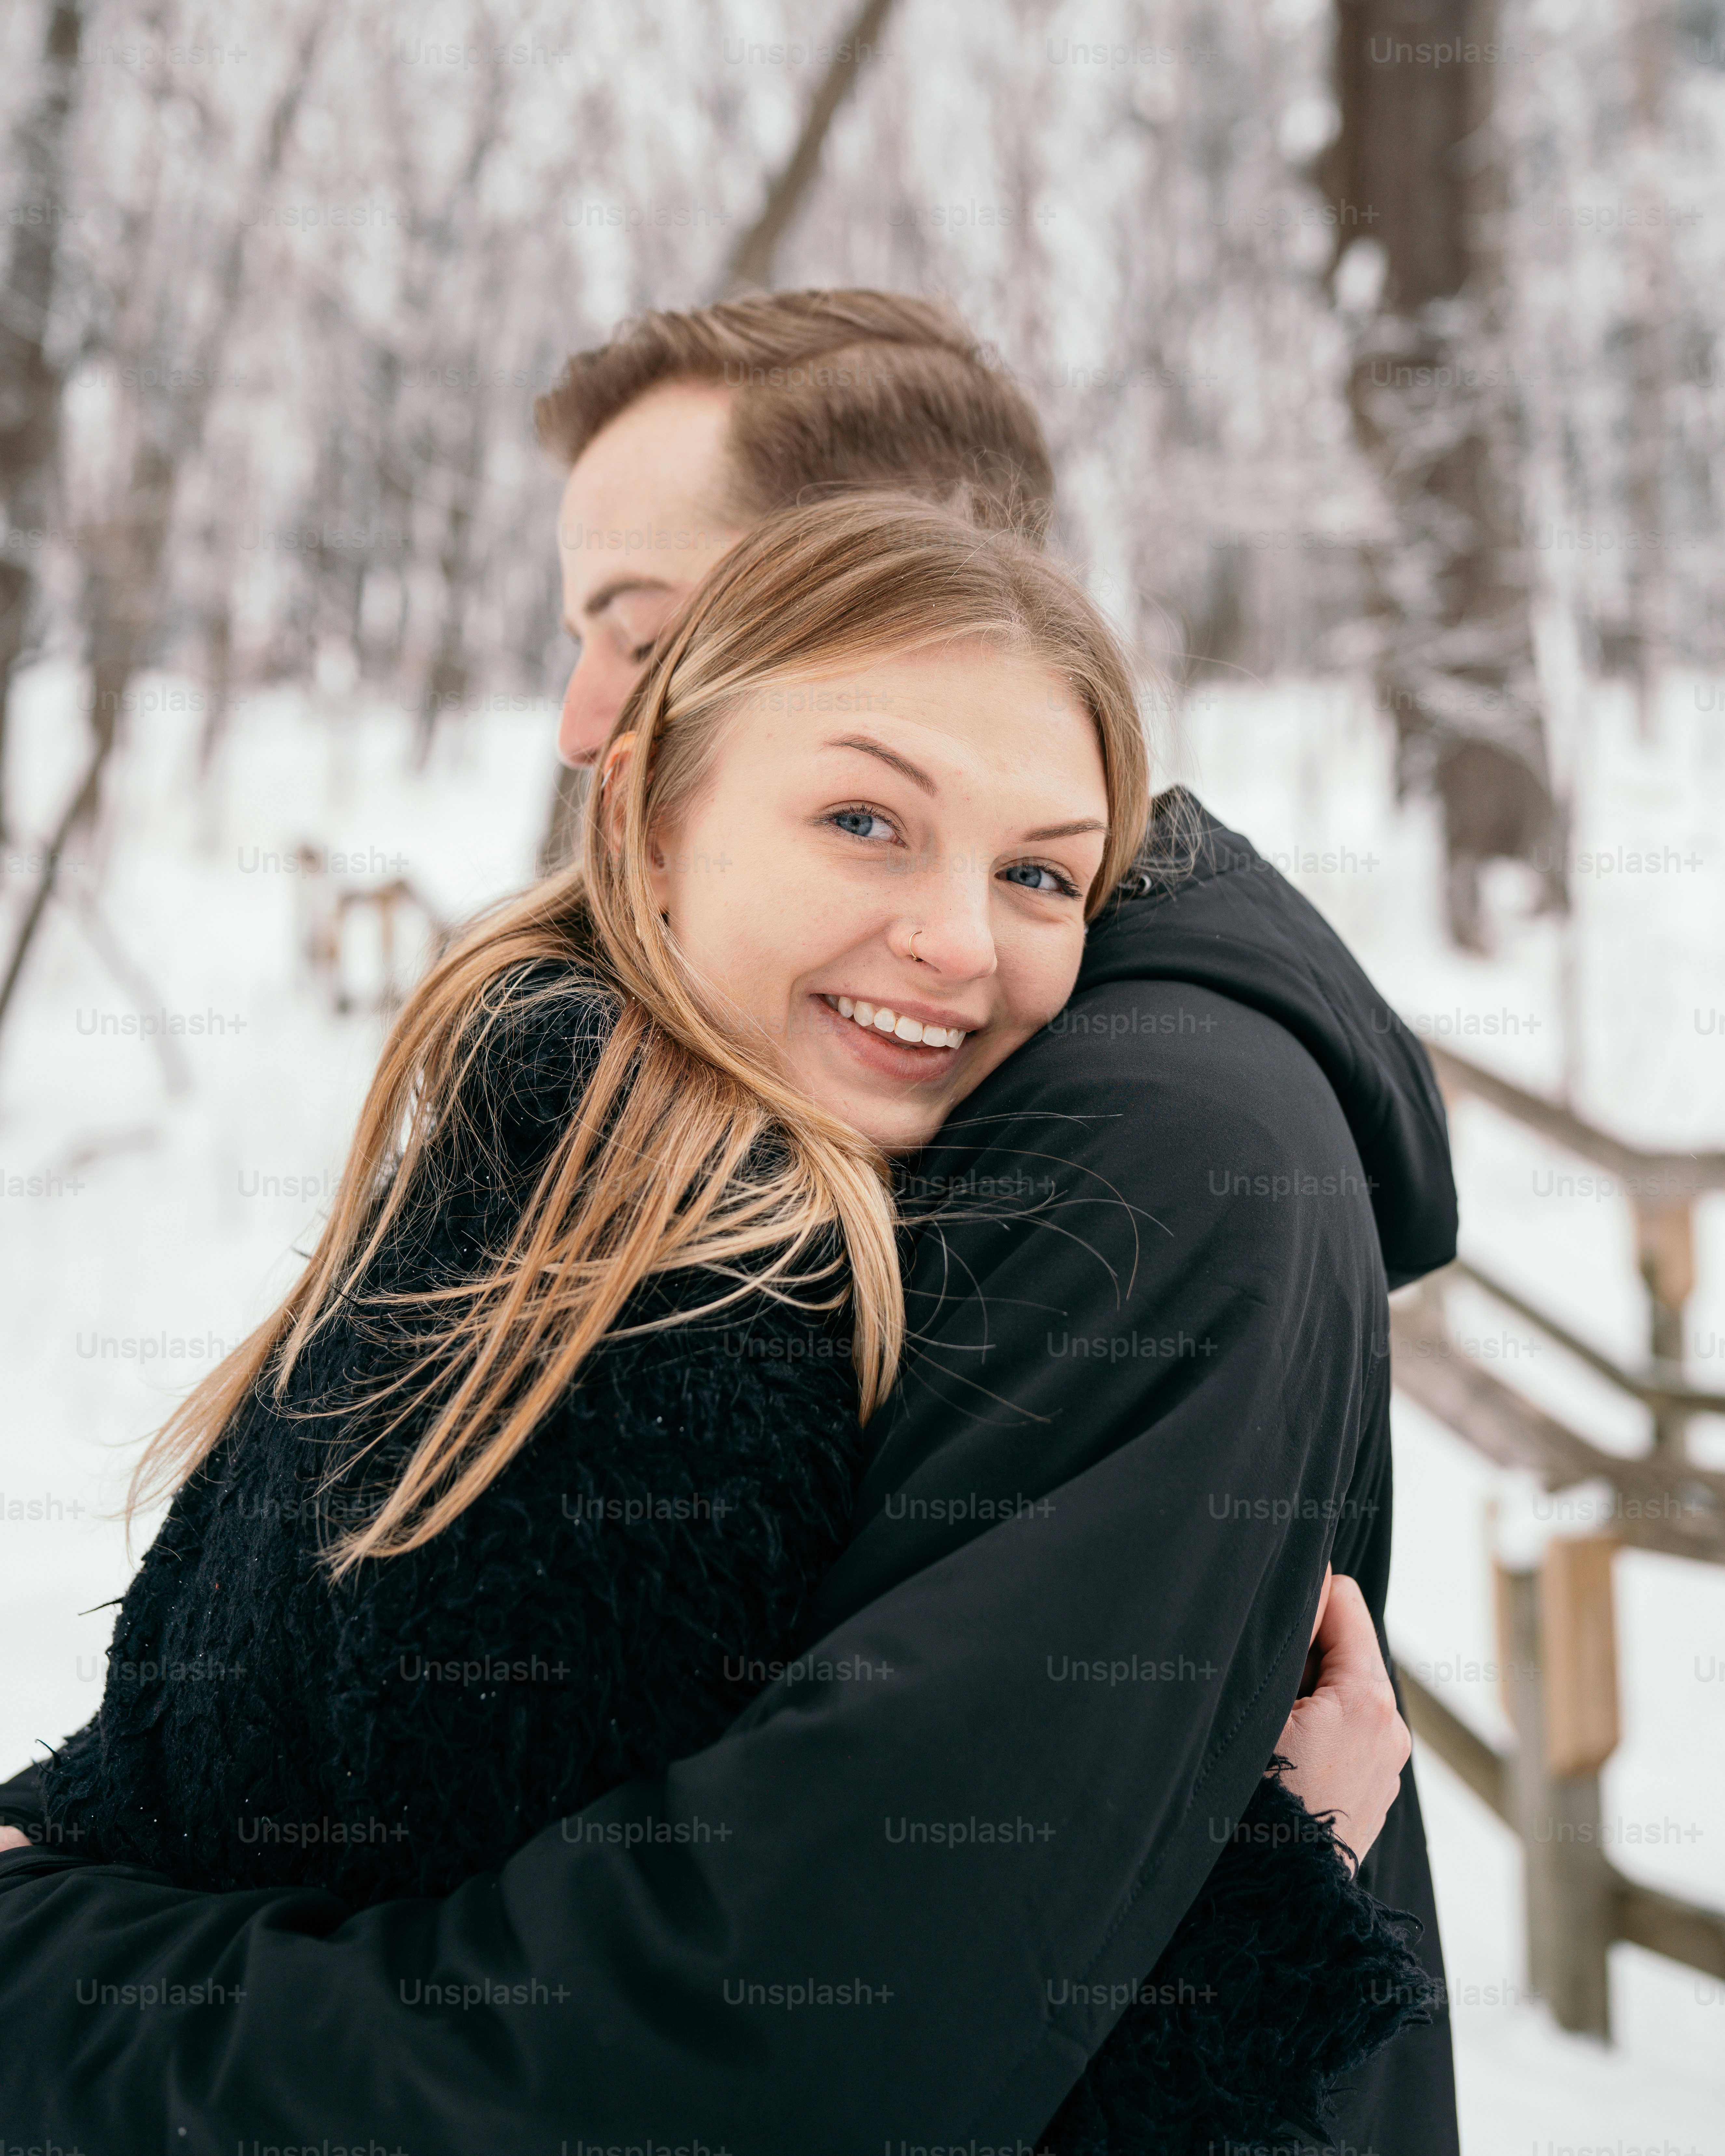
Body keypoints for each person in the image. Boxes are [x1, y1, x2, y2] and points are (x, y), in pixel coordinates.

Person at [0, 295, 1459, 2155]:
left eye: (638, 627)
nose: (583, 717)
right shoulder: (627, 1140)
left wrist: (53, 1977)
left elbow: (773, 2037)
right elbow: (301, 1724)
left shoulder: (1141, 1150)